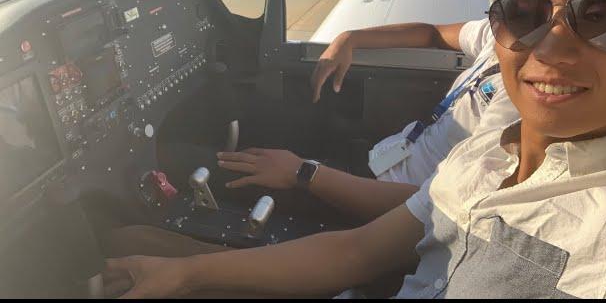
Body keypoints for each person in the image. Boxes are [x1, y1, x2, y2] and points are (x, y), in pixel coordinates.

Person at [104, 0, 606, 298]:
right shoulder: (488, 157)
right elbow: (355, 255)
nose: (550, 46)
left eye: (603, 16)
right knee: (130, 249)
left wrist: (304, 174)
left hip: (368, 190)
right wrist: (187, 277)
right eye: (523, 14)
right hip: (378, 210)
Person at [215, 18, 518, 222]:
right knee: (272, 121)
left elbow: (435, 206)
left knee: (222, 176)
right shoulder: (502, 34)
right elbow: (433, 33)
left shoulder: (515, 109)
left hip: (383, 205)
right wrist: (349, 38)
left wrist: (302, 172)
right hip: (379, 158)